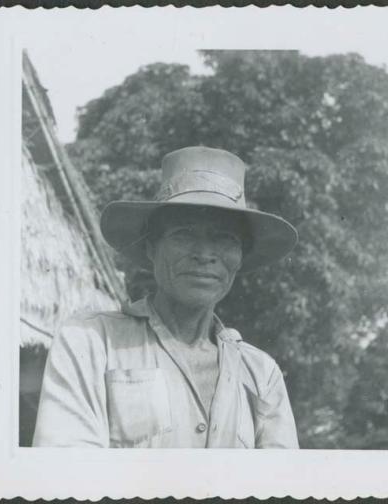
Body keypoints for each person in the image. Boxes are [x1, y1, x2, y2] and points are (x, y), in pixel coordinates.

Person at [33, 146, 299, 448]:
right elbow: (65, 475)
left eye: (225, 238)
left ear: (240, 257)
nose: (205, 254)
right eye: (184, 234)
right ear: (151, 248)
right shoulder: (91, 341)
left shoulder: (261, 373)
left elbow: (280, 485)